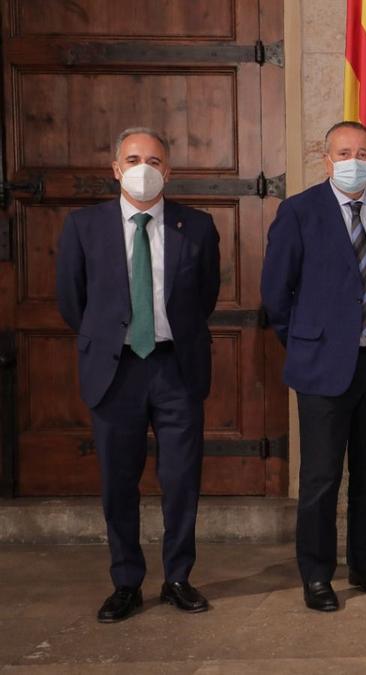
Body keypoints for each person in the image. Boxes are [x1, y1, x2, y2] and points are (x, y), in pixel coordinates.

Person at [56, 127, 220, 622]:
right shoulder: (84, 226)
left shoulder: (198, 226)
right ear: (115, 168)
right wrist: (111, 336)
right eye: (132, 159)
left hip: (176, 367)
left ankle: (177, 578)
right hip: (115, 371)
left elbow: (204, 296)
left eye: (153, 160)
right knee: (119, 482)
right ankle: (126, 582)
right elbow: (72, 302)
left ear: (167, 172)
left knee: (181, 479)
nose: (142, 168)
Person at [261, 121, 366, 612]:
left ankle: (364, 564)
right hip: (324, 366)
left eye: (363, 152)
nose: (354, 160)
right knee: (322, 477)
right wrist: (310, 344)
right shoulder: (298, 211)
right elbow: (275, 296)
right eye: (344, 152)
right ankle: (318, 575)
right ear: (326, 160)